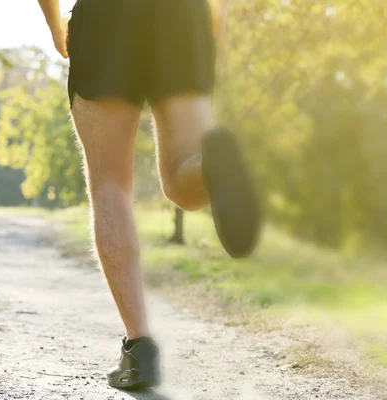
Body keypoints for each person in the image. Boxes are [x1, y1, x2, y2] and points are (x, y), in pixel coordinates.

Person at [38, 0, 261, 390]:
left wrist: (56, 25)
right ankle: (210, 164)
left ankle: (140, 352)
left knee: (110, 185)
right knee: (183, 183)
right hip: (183, 13)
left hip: (105, 16)